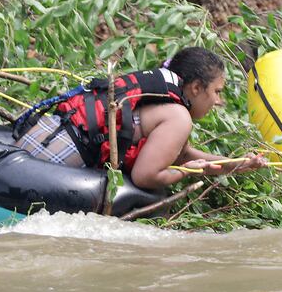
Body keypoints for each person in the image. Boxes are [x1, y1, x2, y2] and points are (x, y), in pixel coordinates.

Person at [14, 46, 266, 189]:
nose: (218, 101)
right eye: (217, 92)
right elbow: (145, 177)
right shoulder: (179, 117)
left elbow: (185, 154)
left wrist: (241, 163)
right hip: (52, 159)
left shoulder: (160, 96)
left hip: (41, 137)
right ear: (196, 88)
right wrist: (186, 173)